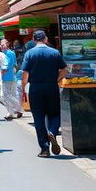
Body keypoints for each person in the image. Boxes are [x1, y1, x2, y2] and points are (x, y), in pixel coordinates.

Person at [20, 30, 68, 158]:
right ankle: (52, 131)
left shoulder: (30, 53)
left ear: (34, 40)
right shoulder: (54, 52)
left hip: (35, 87)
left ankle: (45, 149)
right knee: (55, 113)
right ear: (46, 39)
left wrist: (24, 88)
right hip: (51, 86)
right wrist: (56, 79)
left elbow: (25, 73)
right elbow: (64, 70)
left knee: (38, 117)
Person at [0, 39, 23, 120]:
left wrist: (2, 71)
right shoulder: (9, 53)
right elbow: (14, 64)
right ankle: (10, 112)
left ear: (7, 44)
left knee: (4, 96)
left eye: (3, 44)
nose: (1, 45)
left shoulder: (8, 53)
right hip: (11, 77)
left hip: (7, 77)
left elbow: (7, 65)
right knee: (11, 95)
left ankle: (18, 109)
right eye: (1, 44)